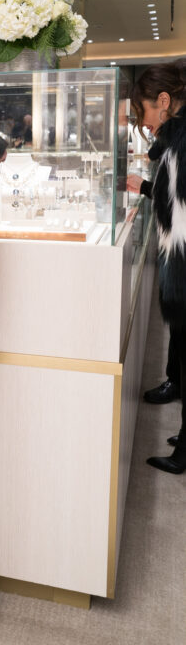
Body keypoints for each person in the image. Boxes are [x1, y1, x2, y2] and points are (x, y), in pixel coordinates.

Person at [127, 61, 186, 474]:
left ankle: (184, 453)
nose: (144, 123)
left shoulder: (179, 143)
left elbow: (175, 207)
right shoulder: (175, 141)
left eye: (144, 112)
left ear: (164, 102)